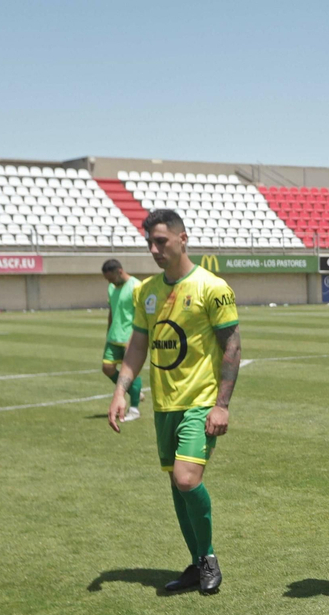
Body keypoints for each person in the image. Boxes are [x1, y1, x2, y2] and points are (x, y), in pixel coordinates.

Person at [107, 209, 240, 595]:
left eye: (161, 241)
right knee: (175, 484)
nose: (154, 249)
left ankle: (209, 558)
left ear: (183, 239)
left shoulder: (211, 288)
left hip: (200, 401)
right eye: (149, 242)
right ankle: (198, 563)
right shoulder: (146, 290)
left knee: (186, 479)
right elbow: (138, 344)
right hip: (165, 405)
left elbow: (231, 345)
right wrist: (120, 389)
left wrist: (222, 405)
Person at [100, 259, 143, 423]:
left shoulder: (136, 286)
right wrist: (108, 331)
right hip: (114, 336)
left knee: (131, 371)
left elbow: (140, 314)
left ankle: (134, 408)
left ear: (119, 271)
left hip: (129, 337)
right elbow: (112, 311)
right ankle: (134, 390)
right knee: (107, 368)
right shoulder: (112, 287)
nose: (109, 282)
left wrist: (135, 337)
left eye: (110, 278)